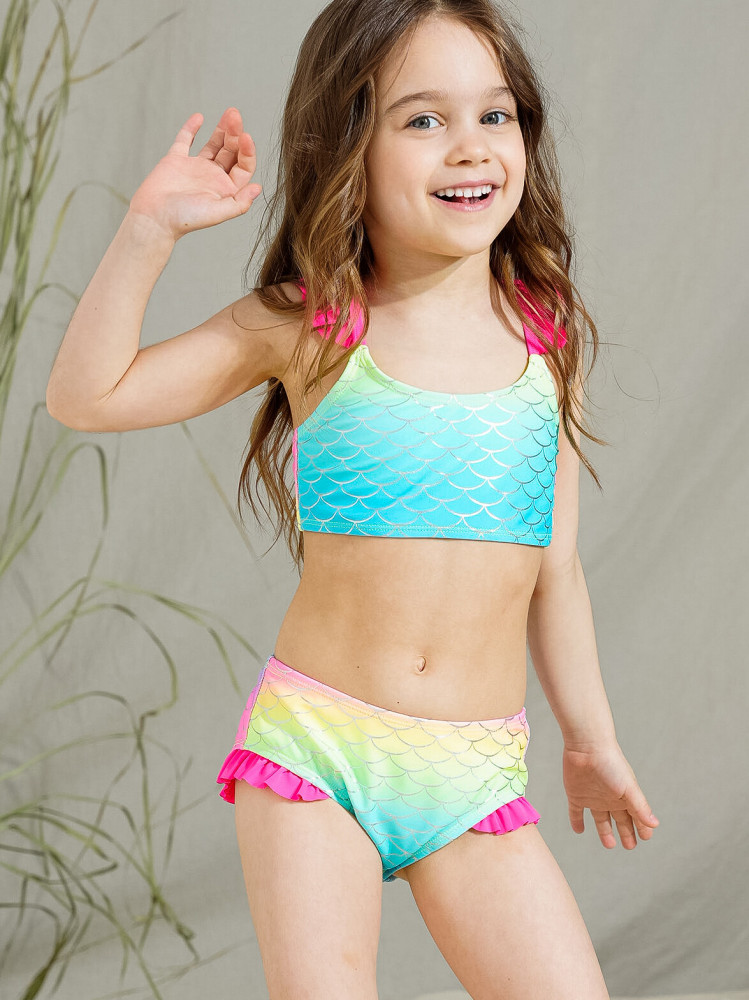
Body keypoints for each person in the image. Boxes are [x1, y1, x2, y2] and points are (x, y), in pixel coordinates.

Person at [46, 1, 661, 997]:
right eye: (423, 120)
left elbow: (554, 567)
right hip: (317, 753)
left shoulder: (546, 337)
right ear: (349, 148)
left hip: (472, 775)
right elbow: (88, 396)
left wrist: (590, 740)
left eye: (494, 114)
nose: (470, 146)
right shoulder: (312, 326)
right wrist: (148, 230)